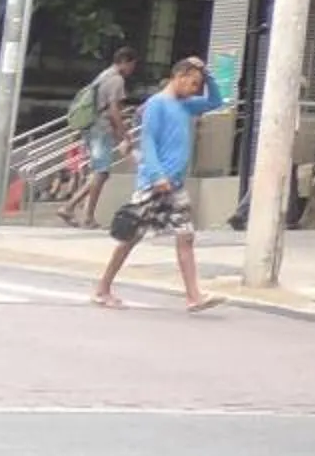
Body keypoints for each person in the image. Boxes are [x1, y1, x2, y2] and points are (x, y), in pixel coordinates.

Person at [89, 55, 223, 312]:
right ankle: (102, 288)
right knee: (131, 236)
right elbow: (147, 142)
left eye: (198, 84)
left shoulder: (187, 105)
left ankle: (194, 296)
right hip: (154, 183)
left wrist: (208, 75)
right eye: (193, 83)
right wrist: (157, 174)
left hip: (175, 184)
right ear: (179, 77)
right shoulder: (157, 105)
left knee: (185, 236)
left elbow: (215, 101)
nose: (196, 89)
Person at [60, 47, 140, 228]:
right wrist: (124, 135)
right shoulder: (116, 80)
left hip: (91, 127)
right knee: (101, 172)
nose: (132, 70)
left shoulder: (103, 75)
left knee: (100, 173)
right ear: (125, 62)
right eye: (132, 65)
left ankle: (72, 208)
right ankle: (81, 213)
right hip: (101, 129)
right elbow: (113, 111)